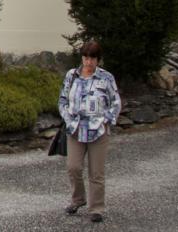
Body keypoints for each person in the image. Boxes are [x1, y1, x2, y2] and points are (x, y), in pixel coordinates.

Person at [58, 40, 121, 223]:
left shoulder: (106, 78)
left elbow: (115, 102)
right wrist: (68, 120)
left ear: (98, 59)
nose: (88, 62)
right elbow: (62, 100)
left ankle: (97, 208)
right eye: (86, 57)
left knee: (96, 172)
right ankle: (78, 199)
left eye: (92, 58)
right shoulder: (72, 75)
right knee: (73, 167)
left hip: (98, 131)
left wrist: (106, 120)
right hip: (75, 129)